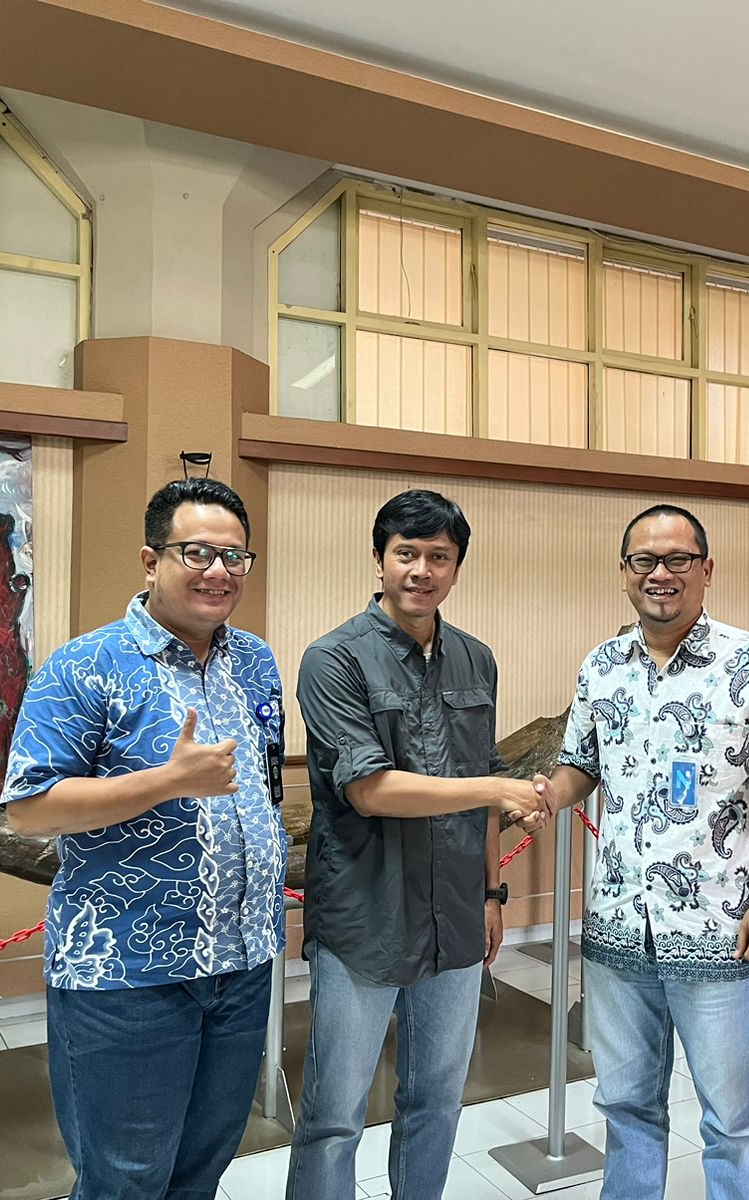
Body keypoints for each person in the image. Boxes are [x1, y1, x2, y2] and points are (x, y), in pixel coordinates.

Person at [3, 477, 286, 1200]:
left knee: (201, 1169)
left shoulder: (255, 661)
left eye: (234, 557)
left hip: (243, 963)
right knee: (125, 1181)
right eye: (197, 552)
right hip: (126, 973)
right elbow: (29, 809)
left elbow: (263, 786)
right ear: (151, 560)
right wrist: (166, 782)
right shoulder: (84, 665)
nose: (218, 571)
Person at [541, 503, 749, 1199]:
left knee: (733, 1119)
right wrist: (542, 796)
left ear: (706, 570)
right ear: (624, 573)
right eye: (645, 560)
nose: (660, 574)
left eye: (677, 559)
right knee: (625, 1105)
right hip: (617, 929)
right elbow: (581, 767)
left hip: (722, 931)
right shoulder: (602, 665)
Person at [287, 489, 549, 1200]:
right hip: (364, 917)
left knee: (436, 1100)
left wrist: (491, 893)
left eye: (439, 556)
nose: (421, 570)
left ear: (457, 567)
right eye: (406, 553)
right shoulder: (333, 659)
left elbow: (483, 781)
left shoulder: (476, 659)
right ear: (379, 560)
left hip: (455, 916)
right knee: (334, 1116)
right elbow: (370, 790)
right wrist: (498, 790)